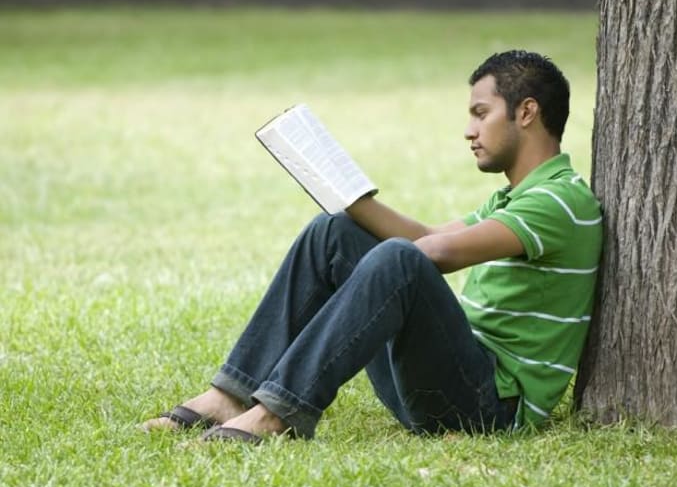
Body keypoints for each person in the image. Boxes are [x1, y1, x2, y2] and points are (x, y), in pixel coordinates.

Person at [141, 50, 603, 443]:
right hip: (442, 386)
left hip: (489, 410)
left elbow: (434, 255)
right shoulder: (517, 197)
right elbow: (426, 238)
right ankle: (230, 395)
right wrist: (348, 199)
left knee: (399, 258)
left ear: (526, 112)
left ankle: (276, 414)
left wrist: (371, 227)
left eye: (481, 113)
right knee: (334, 232)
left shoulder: (560, 200)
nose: (468, 130)